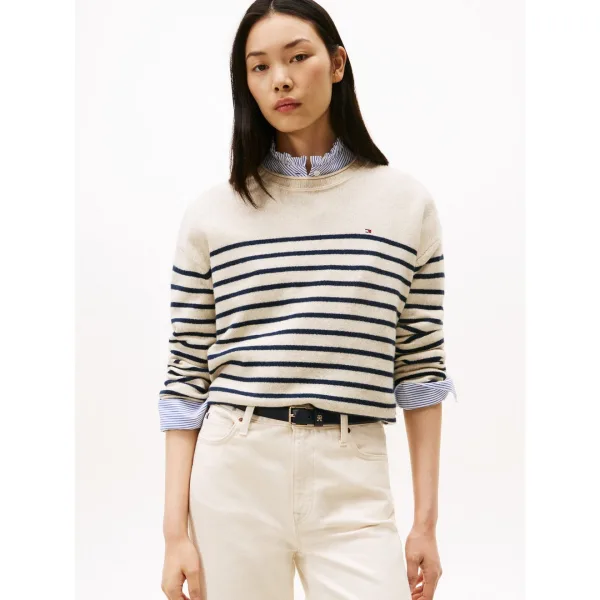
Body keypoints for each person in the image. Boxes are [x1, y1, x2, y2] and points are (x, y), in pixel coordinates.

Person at [159, 1, 457, 599]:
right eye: (260, 66)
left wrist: (425, 524)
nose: (281, 79)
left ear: (337, 63)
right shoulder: (213, 214)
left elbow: (420, 368)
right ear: (246, 83)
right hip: (235, 471)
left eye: (298, 57)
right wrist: (174, 535)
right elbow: (186, 373)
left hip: (354, 473)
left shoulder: (406, 204)